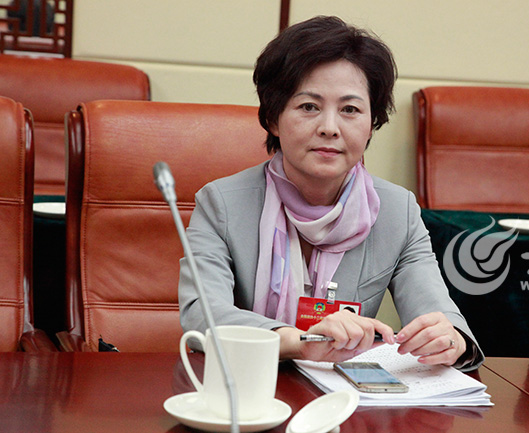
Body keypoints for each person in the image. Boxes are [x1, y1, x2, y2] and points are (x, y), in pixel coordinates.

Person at [179, 16, 483, 370]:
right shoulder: (222, 203)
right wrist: (299, 342)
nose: (329, 128)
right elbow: (202, 314)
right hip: (244, 384)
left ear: (371, 125)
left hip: (345, 395)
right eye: (309, 107)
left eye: (350, 110)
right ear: (273, 119)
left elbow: (438, 312)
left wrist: (450, 339)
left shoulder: (396, 211)